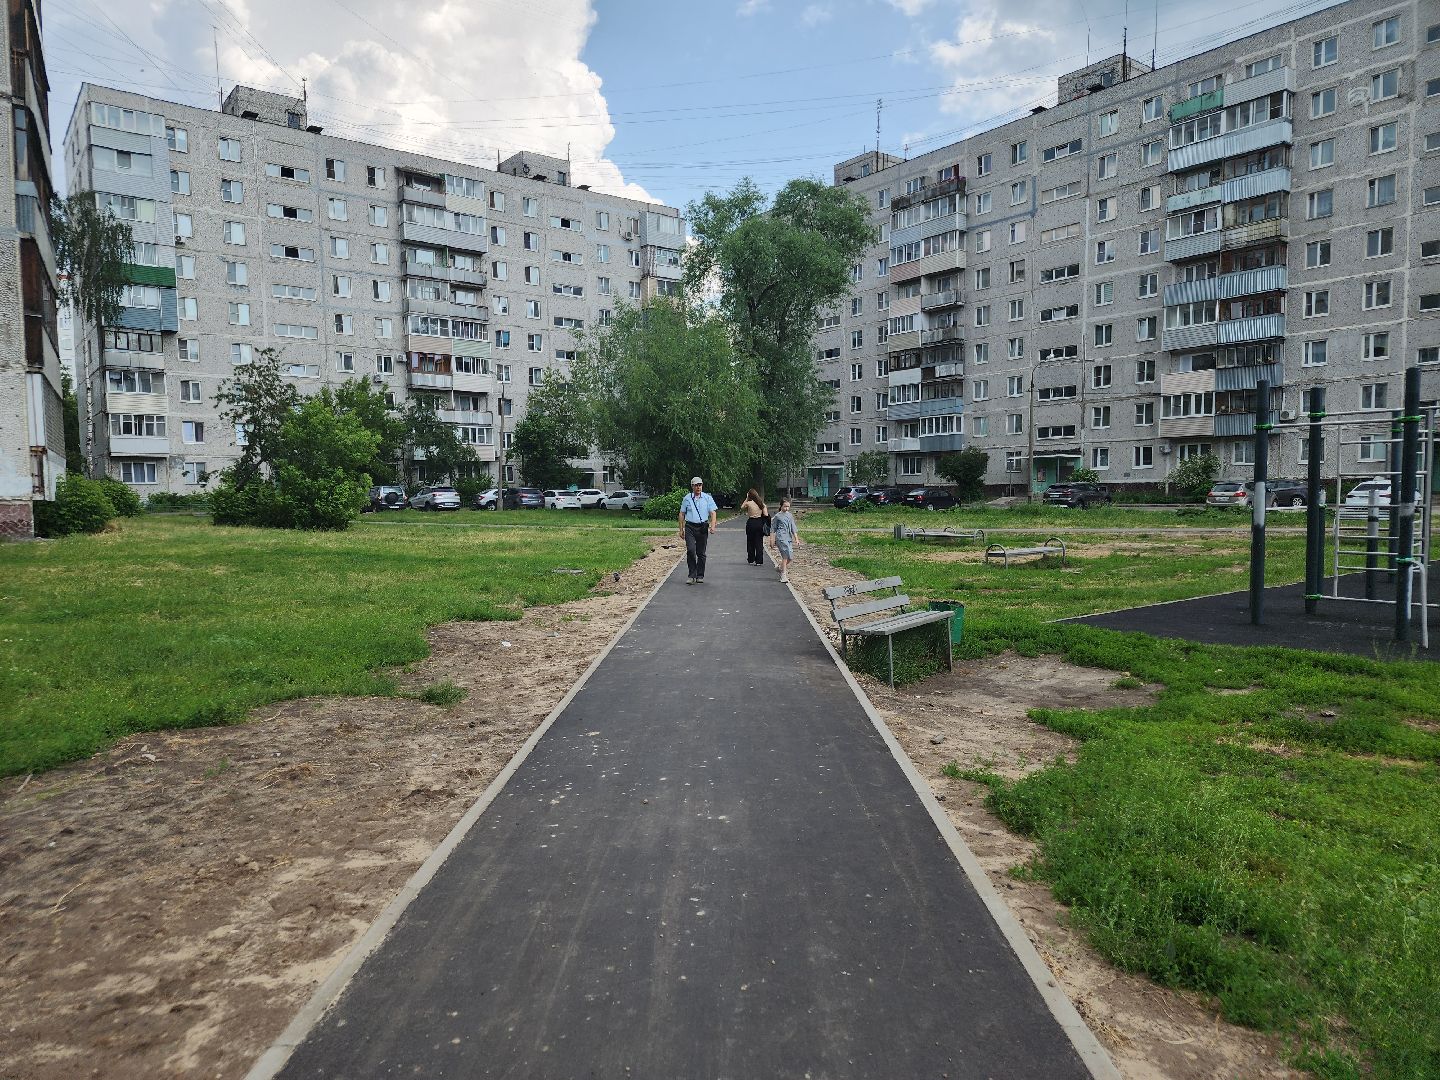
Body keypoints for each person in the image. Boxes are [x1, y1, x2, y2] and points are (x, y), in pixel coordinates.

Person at [677, 476, 718, 585]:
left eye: (700, 485)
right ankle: (691, 575)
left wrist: (713, 526)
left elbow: (713, 512)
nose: (698, 487)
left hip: (702, 527)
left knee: (701, 553)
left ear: (702, 486)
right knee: (691, 550)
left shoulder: (707, 498)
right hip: (690, 526)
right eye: (696, 485)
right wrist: (681, 529)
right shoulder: (687, 498)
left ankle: (700, 575)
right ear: (692, 486)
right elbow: (682, 513)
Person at [769, 498, 798, 584]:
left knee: (790, 557)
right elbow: (772, 529)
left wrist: (796, 538)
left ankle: (780, 568)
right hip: (781, 537)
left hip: (788, 538)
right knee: (785, 556)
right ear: (781, 506)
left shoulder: (790, 515)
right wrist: (771, 540)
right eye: (785, 506)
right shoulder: (777, 516)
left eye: (788, 506)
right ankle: (783, 575)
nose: (786, 508)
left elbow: (793, 527)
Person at [739, 487, 768, 566]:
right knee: (759, 542)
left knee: (750, 541)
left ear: (750, 495)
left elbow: (742, 507)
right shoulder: (761, 504)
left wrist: (746, 498)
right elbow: (766, 514)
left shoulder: (749, 503)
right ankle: (759, 560)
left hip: (751, 522)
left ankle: (751, 559)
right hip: (759, 522)